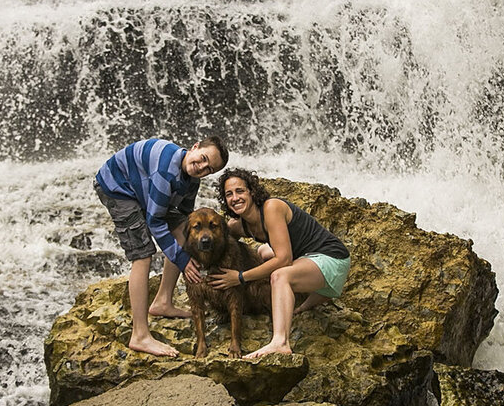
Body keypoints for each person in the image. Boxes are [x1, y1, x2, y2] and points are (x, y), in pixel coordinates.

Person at [94, 136, 229, 357]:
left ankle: (163, 301)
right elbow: (154, 221)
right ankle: (139, 335)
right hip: (117, 187)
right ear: (194, 147)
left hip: (142, 186)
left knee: (184, 234)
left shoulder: (192, 178)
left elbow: (186, 218)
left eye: (209, 169)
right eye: (203, 158)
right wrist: (183, 261)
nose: (202, 167)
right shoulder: (166, 171)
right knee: (143, 255)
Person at [208, 168, 350, 359]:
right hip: (306, 259)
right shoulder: (239, 225)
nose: (235, 198)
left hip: (332, 258)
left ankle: (280, 342)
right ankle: (315, 296)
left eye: (240, 191)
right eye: (229, 194)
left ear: (252, 191)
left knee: (279, 275)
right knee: (262, 252)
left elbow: (284, 260)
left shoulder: (271, 208)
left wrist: (240, 278)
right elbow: (218, 242)